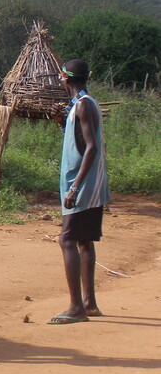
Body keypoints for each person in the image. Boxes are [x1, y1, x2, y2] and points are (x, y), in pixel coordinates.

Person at [47, 59, 111, 325]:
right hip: (86, 183)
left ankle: (76, 307)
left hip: (83, 185)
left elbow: (91, 147)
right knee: (83, 241)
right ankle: (89, 303)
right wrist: (62, 122)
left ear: (65, 78)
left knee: (67, 240)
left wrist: (75, 187)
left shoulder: (84, 105)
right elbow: (80, 141)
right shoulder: (80, 104)